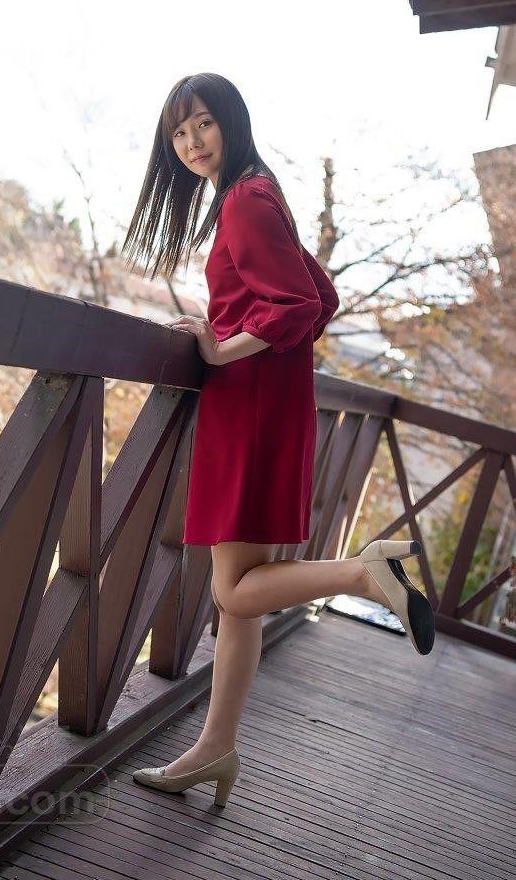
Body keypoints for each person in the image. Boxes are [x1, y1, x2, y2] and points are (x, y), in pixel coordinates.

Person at [121, 72, 435, 808]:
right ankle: (215, 749)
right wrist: (237, 332)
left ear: (231, 120)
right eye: (178, 132)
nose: (191, 141)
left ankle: (363, 576)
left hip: (250, 406)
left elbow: (295, 304)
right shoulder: (259, 193)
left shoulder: (244, 199)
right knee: (241, 600)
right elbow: (321, 296)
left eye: (202, 123)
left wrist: (219, 346)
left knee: (231, 589)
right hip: (273, 402)